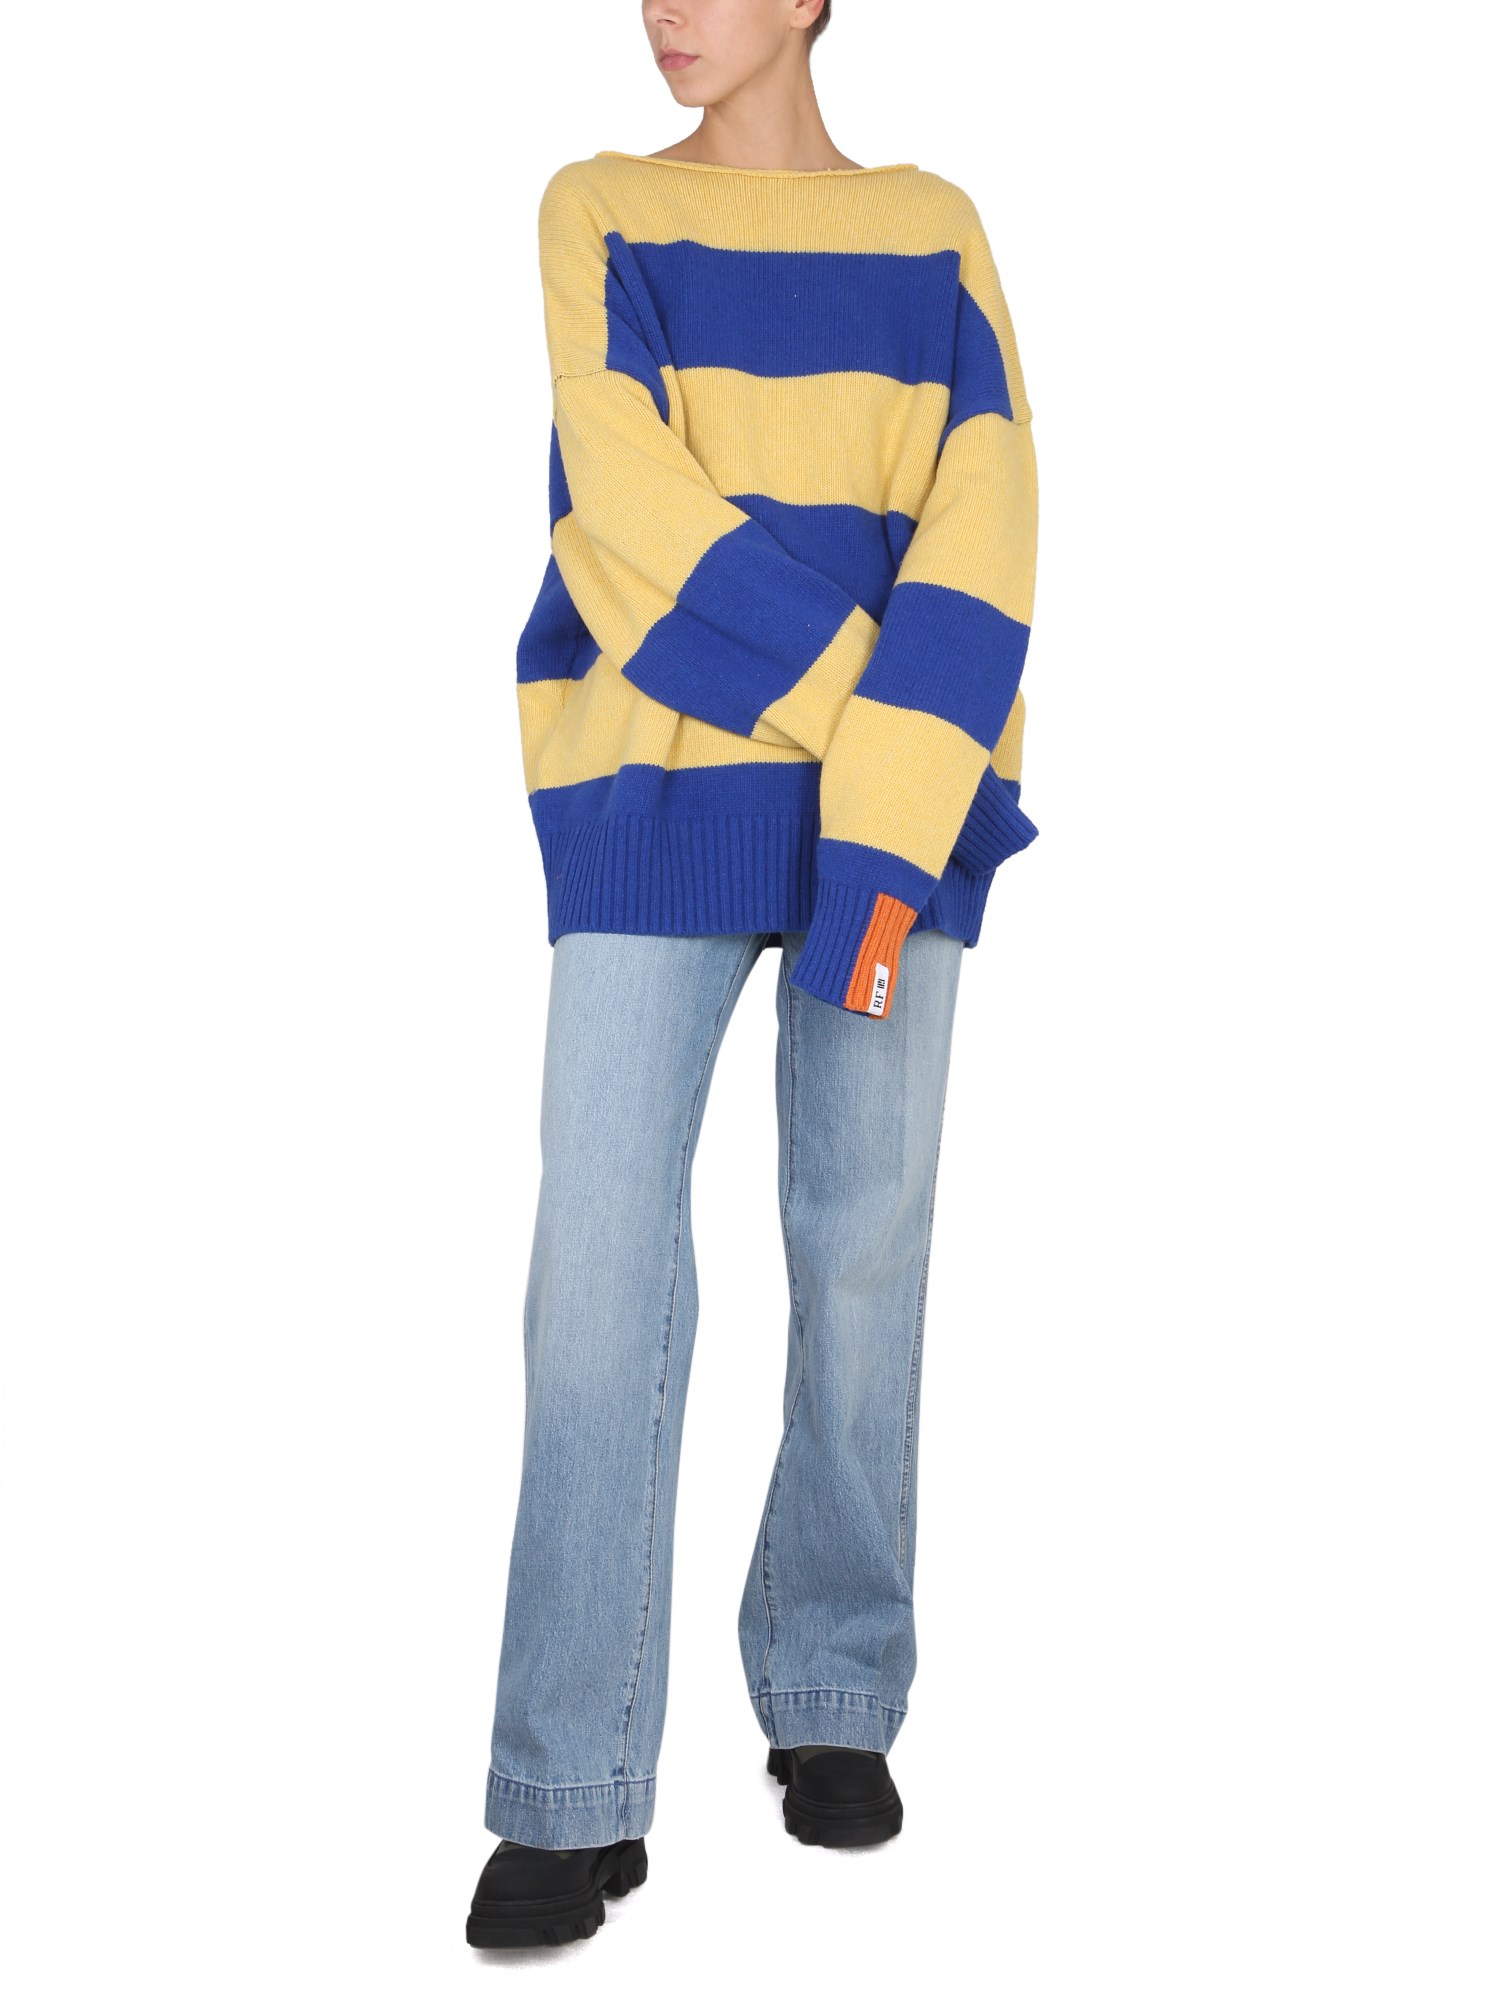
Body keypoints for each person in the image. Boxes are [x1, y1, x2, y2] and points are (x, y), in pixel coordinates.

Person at [467, 0, 1039, 1948]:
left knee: (864, 1246)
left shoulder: (935, 228)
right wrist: (871, 725)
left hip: (892, 823)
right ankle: (569, 1783)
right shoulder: (599, 205)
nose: (666, 10)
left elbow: (991, 523)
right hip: (662, 793)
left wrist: (881, 785)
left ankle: (834, 1690)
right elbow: (622, 509)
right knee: (594, 1273)